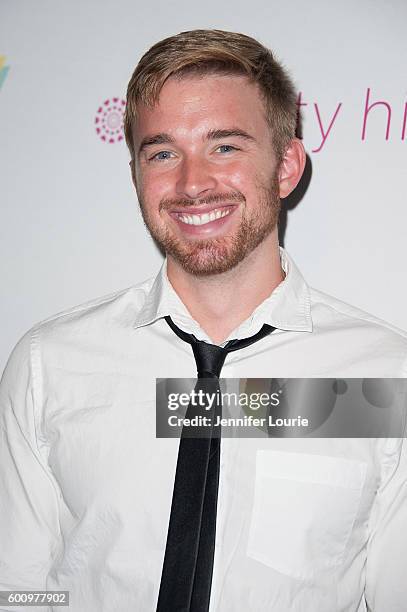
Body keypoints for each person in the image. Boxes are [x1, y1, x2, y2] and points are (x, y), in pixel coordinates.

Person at [0, 29, 406, 612]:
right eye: (162, 153)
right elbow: (18, 589)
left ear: (287, 166)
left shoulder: (385, 376)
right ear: (136, 174)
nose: (192, 184)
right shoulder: (48, 365)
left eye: (225, 146)